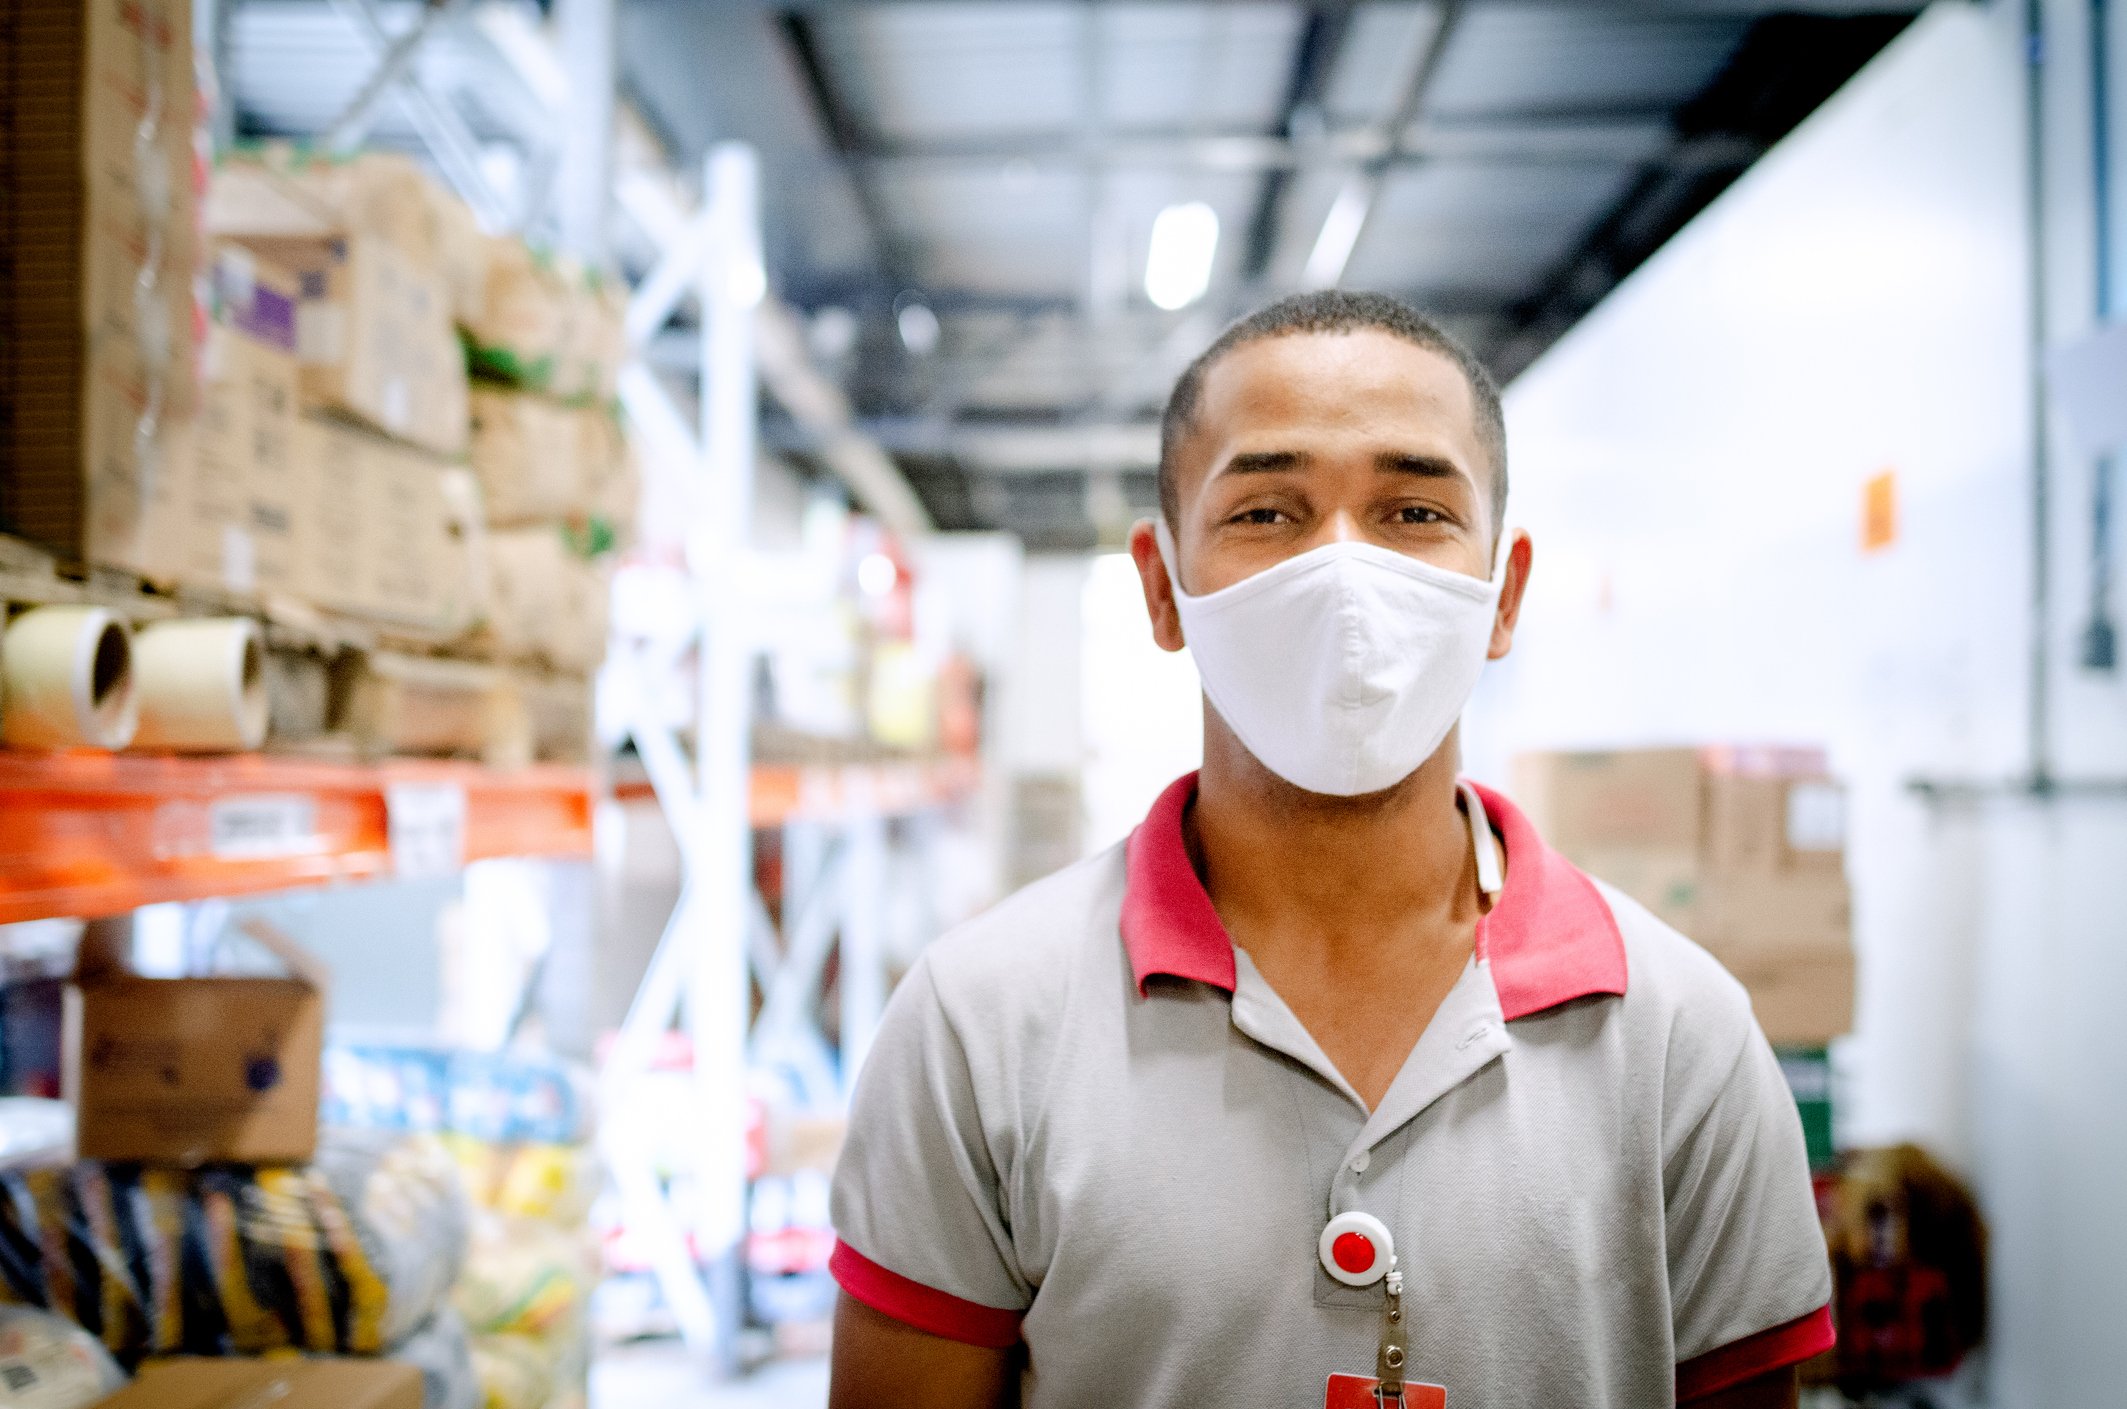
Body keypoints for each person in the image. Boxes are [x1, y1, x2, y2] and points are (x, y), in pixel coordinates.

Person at [826, 291, 1833, 1409]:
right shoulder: (980, 1025)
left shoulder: (1677, 1039)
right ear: (1163, 586)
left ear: (1503, 594)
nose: (1345, 573)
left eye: (1412, 511)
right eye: (1266, 511)